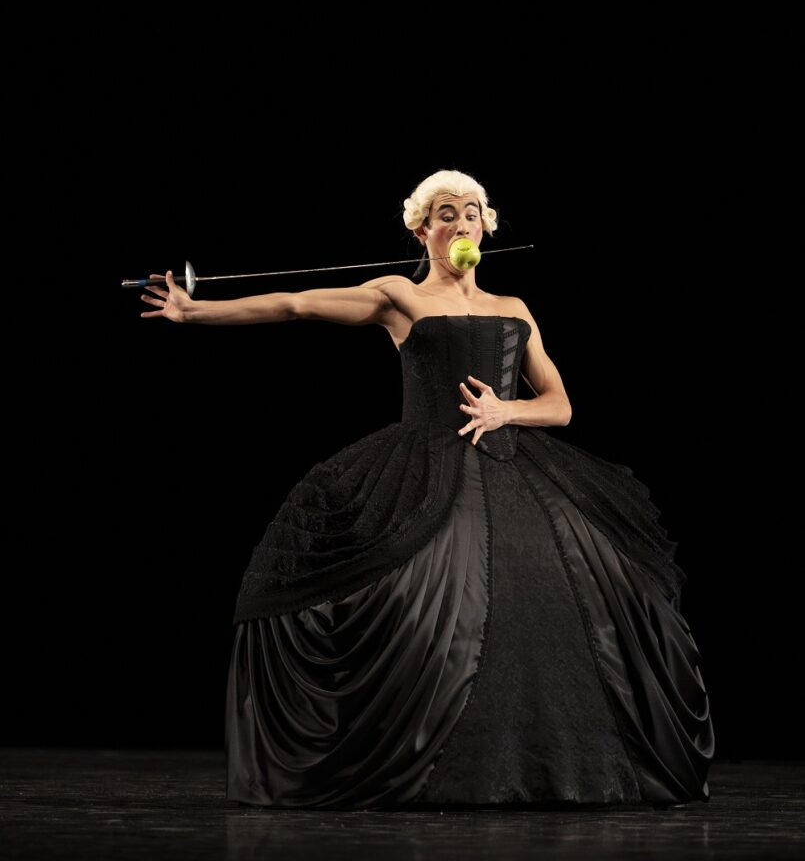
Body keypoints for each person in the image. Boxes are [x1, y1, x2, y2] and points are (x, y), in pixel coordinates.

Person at [140, 169, 714, 809]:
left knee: (576, 600)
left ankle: (559, 768)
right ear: (422, 229)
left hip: (517, 465)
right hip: (426, 464)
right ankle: (435, 764)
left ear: (485, 226)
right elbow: (295, 303)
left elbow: (560, 405)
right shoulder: (399, 297)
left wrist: (506, 411)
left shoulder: (513, 310)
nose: (461, 222)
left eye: (471, 212)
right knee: (436, 605)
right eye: (446, 213)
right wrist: (195, 311)